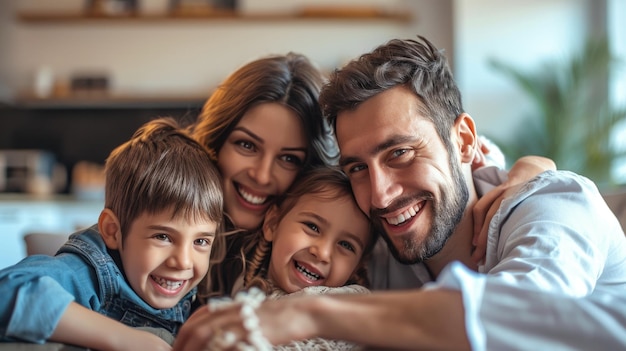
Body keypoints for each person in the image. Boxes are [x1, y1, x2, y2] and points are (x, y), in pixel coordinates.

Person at [172, 36, 626, 350]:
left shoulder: (552, 205)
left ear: (464, 141)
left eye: (400, 154)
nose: (381, 195)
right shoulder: (380, 248)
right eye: (357, 168)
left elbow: (525, 318)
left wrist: (311, 313)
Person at [191, 51, 555, 299]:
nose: (262, 175)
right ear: (215, 141)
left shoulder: (352, 227)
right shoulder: (170, 196)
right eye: (246, 146)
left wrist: (528, 174)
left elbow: (454, 156)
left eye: (289, 158)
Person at [0, 117, 223, 350]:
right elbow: (8, 289)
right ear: (112, 231)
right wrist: (125, 339)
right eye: (163, 237)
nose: (184, 262)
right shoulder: (88, 275)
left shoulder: (191, 294)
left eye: (200, 241)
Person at [201, 166, 376, 350]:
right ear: (273, 224)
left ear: (357, 266)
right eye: (313, 227)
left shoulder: (346, 308)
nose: (322, 253)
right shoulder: (233, 284)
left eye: (346, 245)